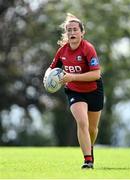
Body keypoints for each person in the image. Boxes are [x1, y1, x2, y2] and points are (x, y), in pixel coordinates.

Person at [44, 13, 104, 169]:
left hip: (94, 90)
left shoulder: (88, 49)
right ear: (66, 33)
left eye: (75, 30)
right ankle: (88, 160)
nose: (72, 33)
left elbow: (96, 74)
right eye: (69, 30)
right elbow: (52, 68)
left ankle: (89, 146)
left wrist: (72, 76)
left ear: (82, 32)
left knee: (92, 129)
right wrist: (47, 77)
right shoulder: (62, 51)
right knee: (82, 122)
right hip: (74, 91)